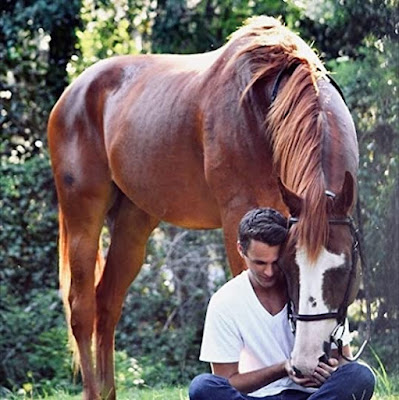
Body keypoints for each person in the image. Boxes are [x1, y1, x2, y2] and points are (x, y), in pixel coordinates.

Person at [189, 208, 375, 400]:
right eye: (260, 263)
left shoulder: (317, 290)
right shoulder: (225, 301)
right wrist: (283, 368)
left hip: (314, 396)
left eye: (276, 262)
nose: (269, 272)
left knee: (360, 375)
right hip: (256, 398)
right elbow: (227, 380)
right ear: (240, 250)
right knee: (202, 386)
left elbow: (344, 359)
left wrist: (329, 370)